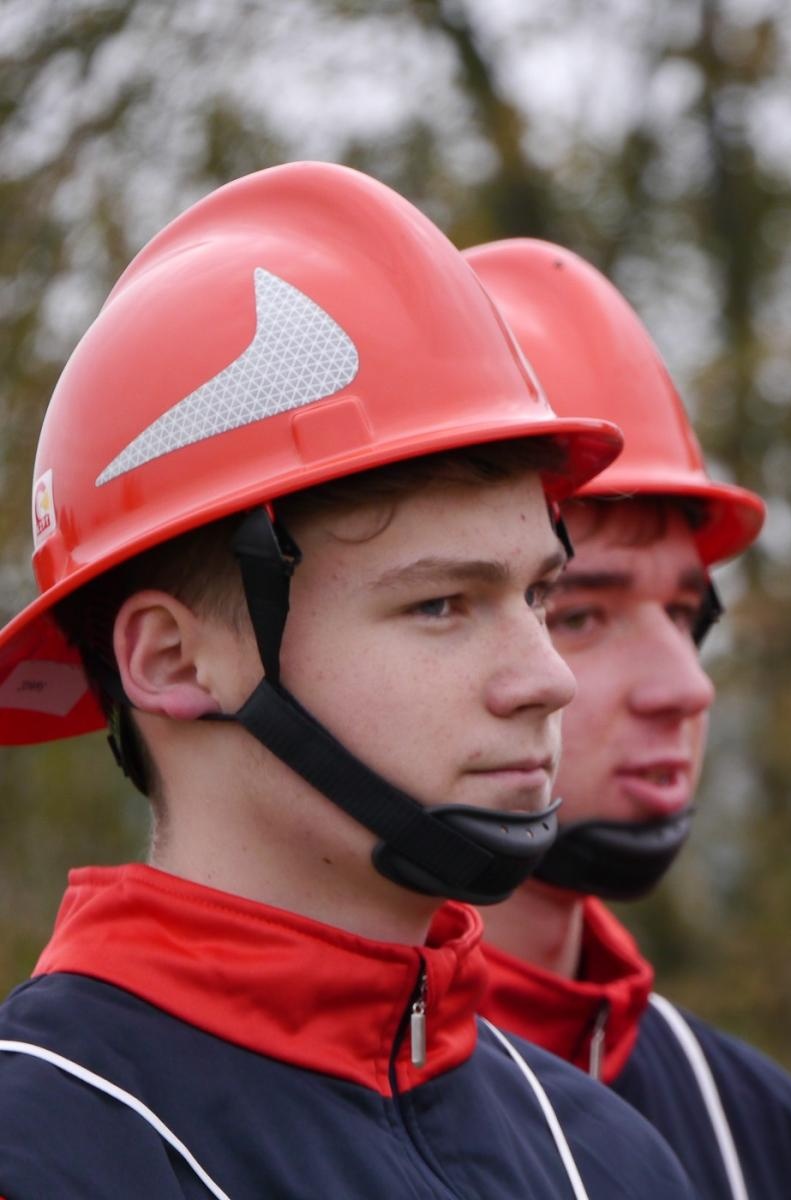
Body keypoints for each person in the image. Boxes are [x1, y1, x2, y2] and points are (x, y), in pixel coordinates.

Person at [0, 163, 695, 1199]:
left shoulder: (606, 1159)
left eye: (541, 598)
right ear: (174, 661)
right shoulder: (43, 1148)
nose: (546, 679)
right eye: (441, 606)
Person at [465, 237, 791, 1200]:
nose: (686, 686)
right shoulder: (235, 1115)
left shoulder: (762, 1132)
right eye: (582, 613)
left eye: (685, 614)